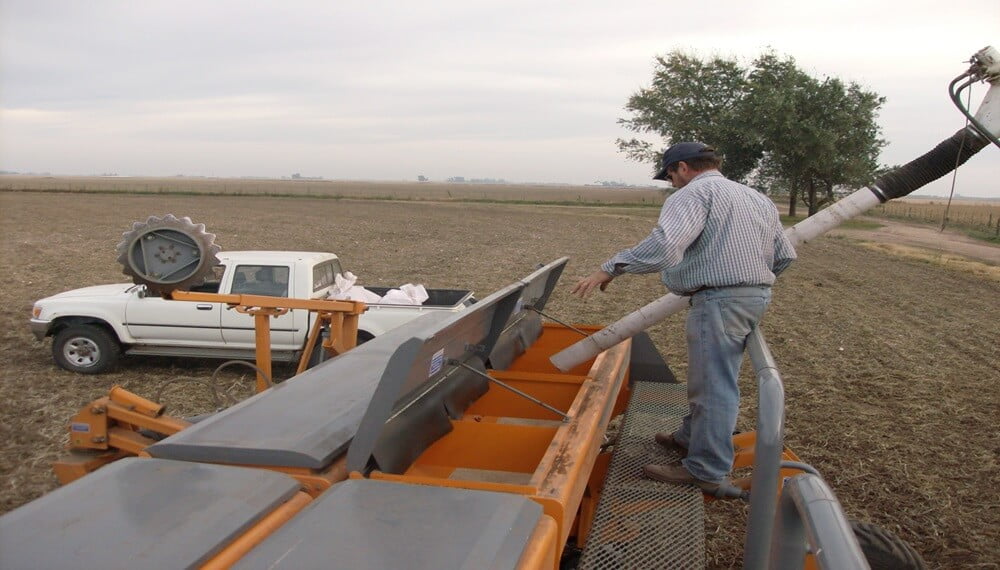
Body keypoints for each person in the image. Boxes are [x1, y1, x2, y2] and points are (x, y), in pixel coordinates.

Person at [571, 141, 796, 494]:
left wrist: (611, 269)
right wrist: (749, 284)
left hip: (719, 298)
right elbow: (784, 255)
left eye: (671, 176)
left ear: (683, 168)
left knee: (713, 386)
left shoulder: (692, 194)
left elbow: (665, 246)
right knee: (715, 376)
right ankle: (690, 437)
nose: (672, 183)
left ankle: (706, 469)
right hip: (753, 296)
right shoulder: (755, 197)